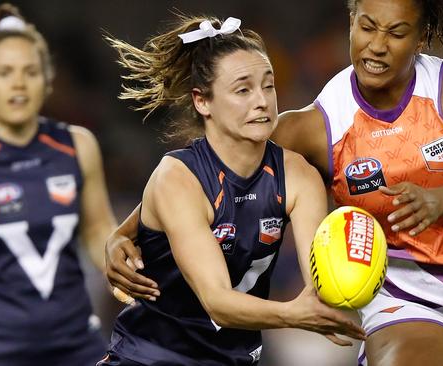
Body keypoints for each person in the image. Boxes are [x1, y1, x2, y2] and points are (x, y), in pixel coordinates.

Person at [107, 0, 443, 365]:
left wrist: (438, 200)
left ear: (421, 37)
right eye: (367, 26)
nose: (377, 45)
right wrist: (125, 234)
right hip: (406, 293)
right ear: (350, 22)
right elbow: (198, 173)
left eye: (397, 32)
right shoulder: (315, 128)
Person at [98, 14, 366, 366]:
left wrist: (346, 283)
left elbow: (320, 276)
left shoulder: (297, 175)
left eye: (268, 86)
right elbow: (218, 302)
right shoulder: (177, 178)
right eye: (243, 89)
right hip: (148, 359)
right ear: (202, 101)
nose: (262, 101)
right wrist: (294, 314)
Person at [0, 3, 117, 365]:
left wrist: (127, 271)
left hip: (77, 345)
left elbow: (98, 229)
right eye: (4, 72)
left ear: (48, 80)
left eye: (31, 72)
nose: (19, 83)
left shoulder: (78, 145)